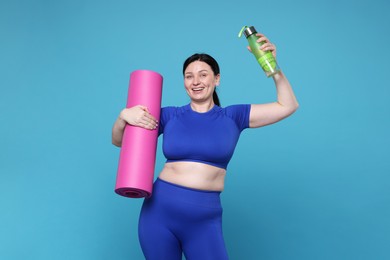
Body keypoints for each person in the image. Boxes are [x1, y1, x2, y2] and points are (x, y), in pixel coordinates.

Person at [112, 32, 299, 260]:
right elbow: (121, 141)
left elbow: (288, 105)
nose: (196, 81)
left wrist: (274, 68)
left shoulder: (234, 116)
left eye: (203, 75)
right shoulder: (170, 115)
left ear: (217, 79)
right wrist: (124, 116)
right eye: (189, 76)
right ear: (184, 83)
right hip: (159, 214)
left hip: (204, 218)